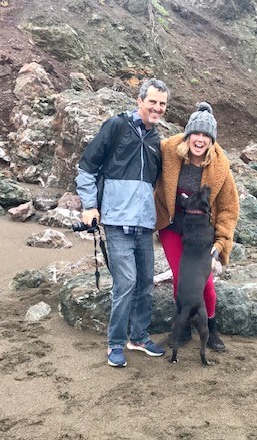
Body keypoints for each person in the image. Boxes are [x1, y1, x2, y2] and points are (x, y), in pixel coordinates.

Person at [75, 78, 170, 368]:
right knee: (126, 282)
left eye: (162, 104)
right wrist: (90, 206)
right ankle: (115, 343)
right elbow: (87, 167)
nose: (156, 108)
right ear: (139, 101)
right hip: (116, 222)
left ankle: (138, 337)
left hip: (144, 224)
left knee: (144, 283)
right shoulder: (116, 127)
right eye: (152, 101)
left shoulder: (156, 141)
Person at [154, 102, 239, 351]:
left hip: (201, 235)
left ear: (211, 140)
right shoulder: (169, 151)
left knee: (205, 284)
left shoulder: (220, 167)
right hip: (171, 227)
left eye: (206, 135)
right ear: (188, 135)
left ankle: (210, 328)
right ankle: (181, 330)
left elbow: (228, 209)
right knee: (181, 279)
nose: (199, 140)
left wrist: (220, 243)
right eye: (196, 134)